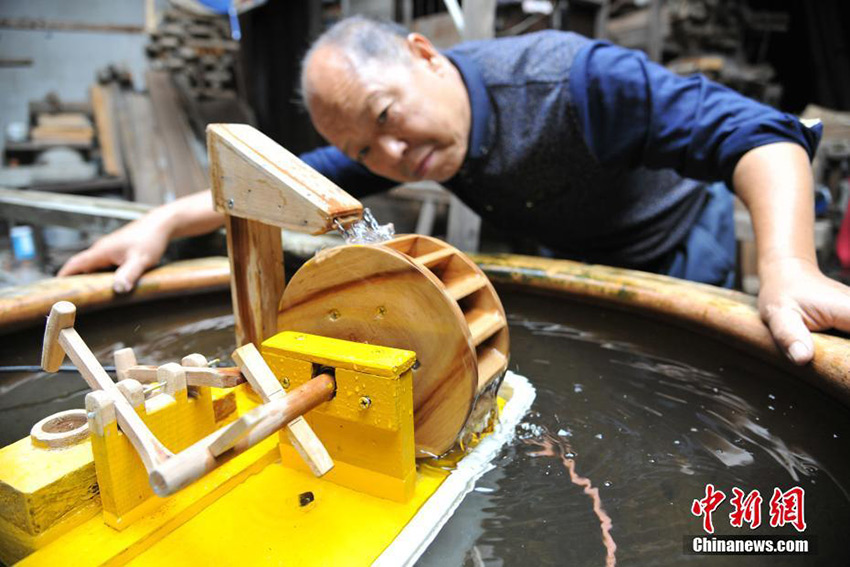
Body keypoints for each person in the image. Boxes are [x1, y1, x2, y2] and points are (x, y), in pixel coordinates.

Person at [59, 16, 850, 367]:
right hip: (572, 247)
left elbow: (758, 135)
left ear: (424, 55)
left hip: (675, 239)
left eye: (385, 118)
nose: (393, 158)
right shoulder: (404, 147)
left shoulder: (573, 81)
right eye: (365, 151)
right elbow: (292, 180)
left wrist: (787, 266)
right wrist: (163, 221)